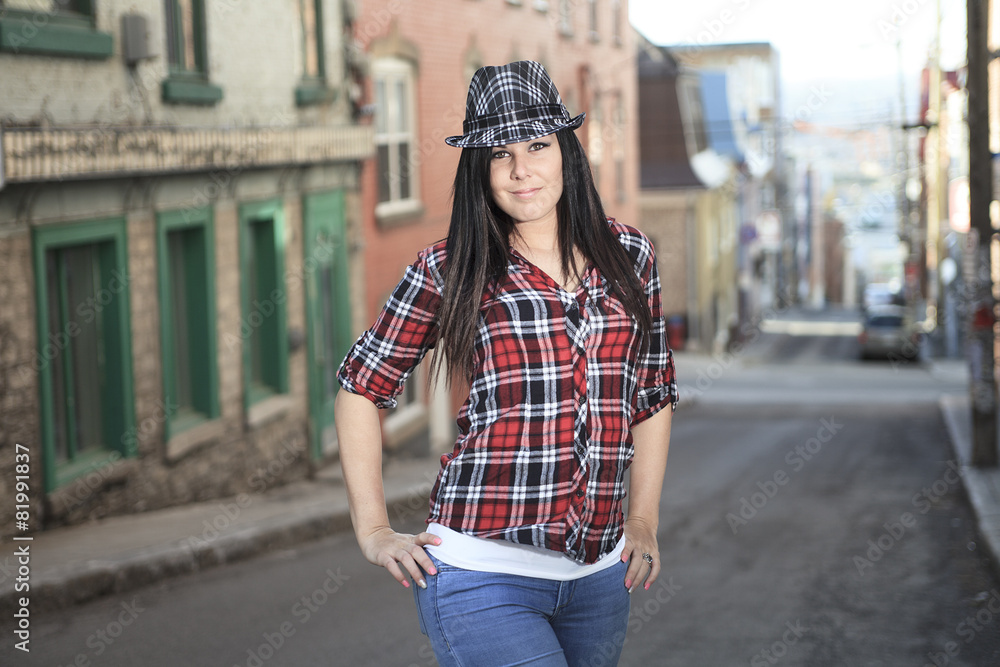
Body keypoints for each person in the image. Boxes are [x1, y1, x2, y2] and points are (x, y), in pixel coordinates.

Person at [335, 60, 677, 666]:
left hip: (601, 577)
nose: (522, 170)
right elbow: (362, 386)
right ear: (479, 169)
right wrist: (374, 529)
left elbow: (650, 393)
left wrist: (643, 520)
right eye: (499, 154)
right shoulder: (449, 268)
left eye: (538, 145)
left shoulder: (631, 255)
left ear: (567, 153)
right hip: (480, 572)